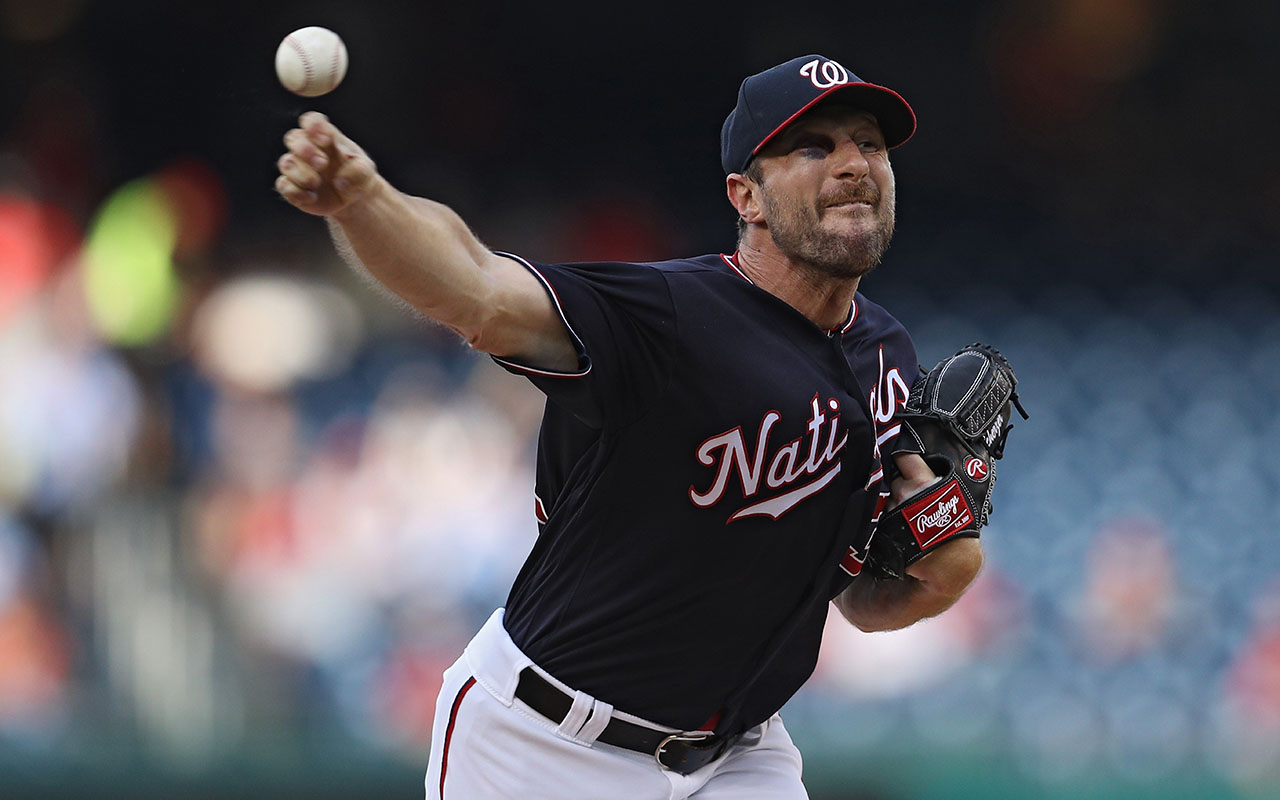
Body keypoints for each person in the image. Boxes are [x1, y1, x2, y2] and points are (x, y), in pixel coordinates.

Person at [275, 53, 985, 800]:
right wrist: (362, 201)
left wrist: (943, 566)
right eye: (814, 147)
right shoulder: (669, 318)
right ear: (746, 196)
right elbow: (476, 289)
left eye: (869, 144)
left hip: (740, 756)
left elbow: (860, 605)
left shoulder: (888, 355)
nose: (853, 164)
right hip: (545, 746)